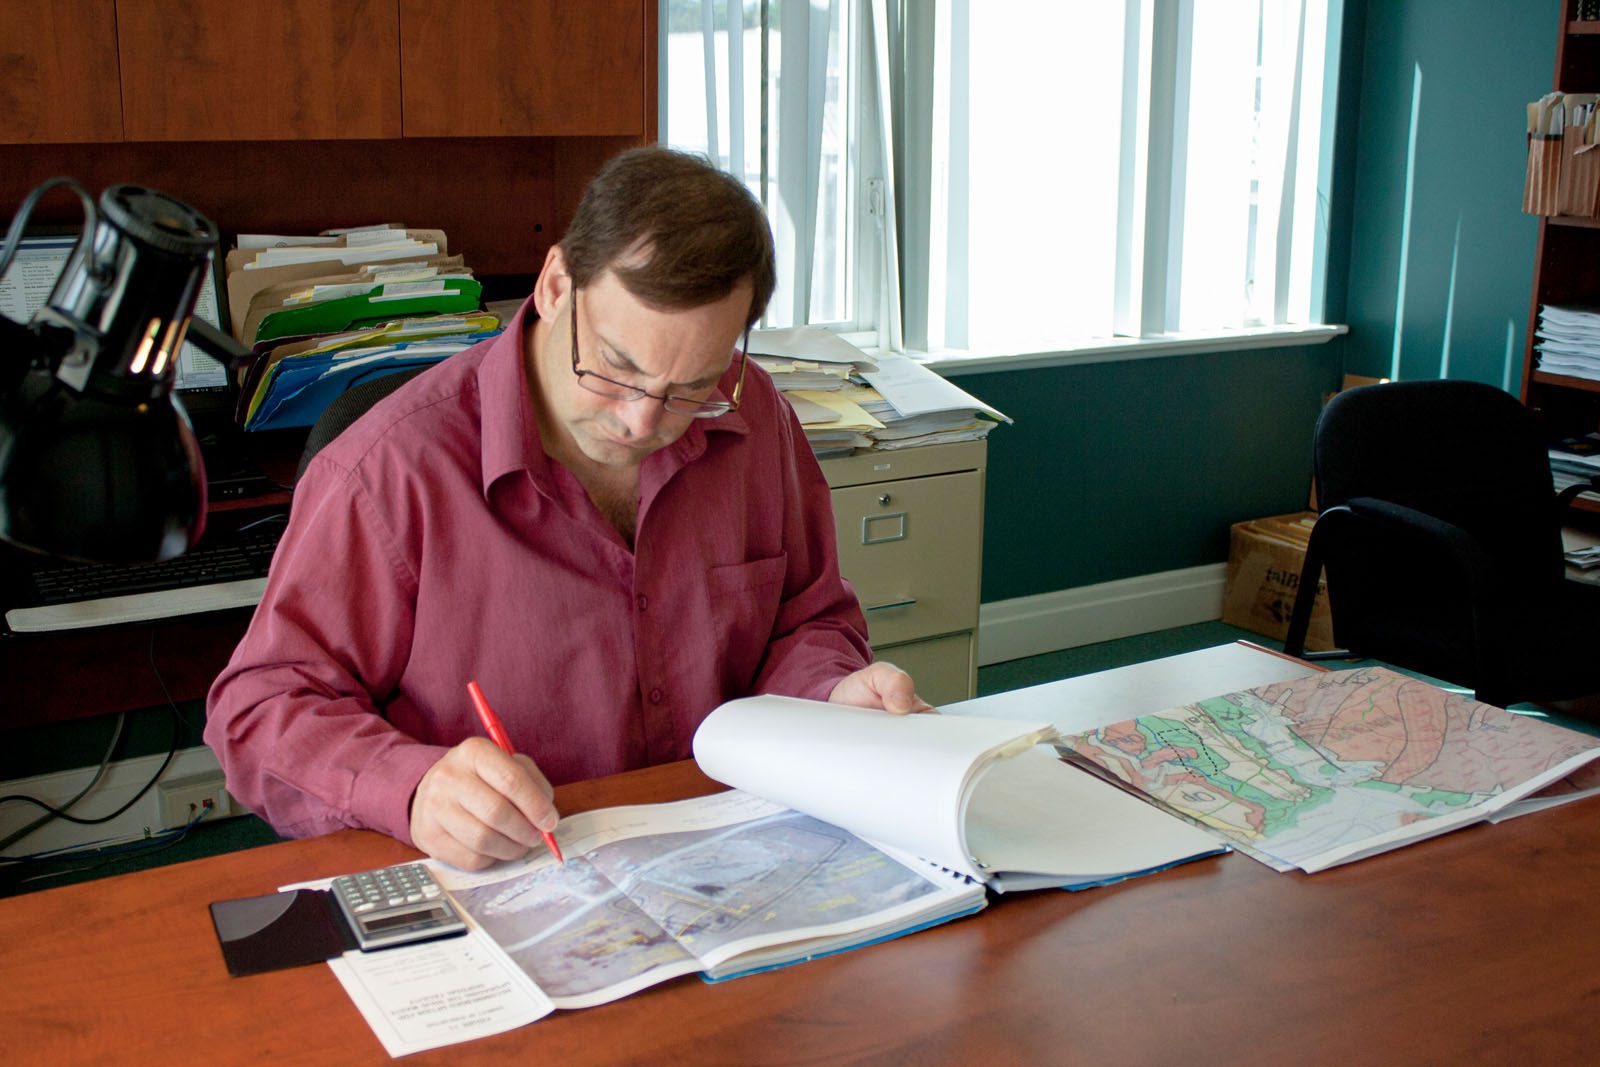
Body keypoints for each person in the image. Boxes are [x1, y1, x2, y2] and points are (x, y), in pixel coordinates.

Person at [205, 146, 930, 870]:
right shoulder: (389, 470)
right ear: (556, 285)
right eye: (616, 367)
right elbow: (258, 711)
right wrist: (417, 785)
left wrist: (829, 691)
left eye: (690, 386)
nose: (643, 423)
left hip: (730, 860)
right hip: (511, 880)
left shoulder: (754, 414)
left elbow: (806, 620)